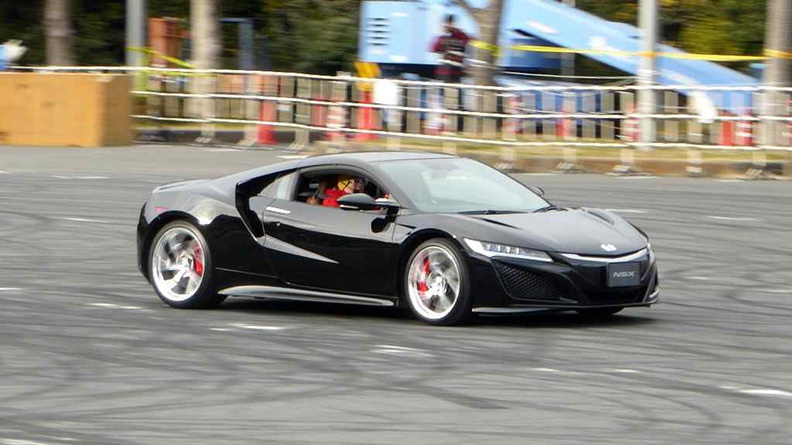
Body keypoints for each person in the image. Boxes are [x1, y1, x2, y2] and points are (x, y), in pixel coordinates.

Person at [430, 14, 470, 84]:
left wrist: (455, 32)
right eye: (447, 23)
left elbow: (467, 41)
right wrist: (442, 35)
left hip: (456, 70)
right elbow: (434, 49)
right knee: (445, 92)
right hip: (444, 70)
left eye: (450, 23)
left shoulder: (461, 35)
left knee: (455, 91)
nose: (448, 25)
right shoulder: (442, 37)